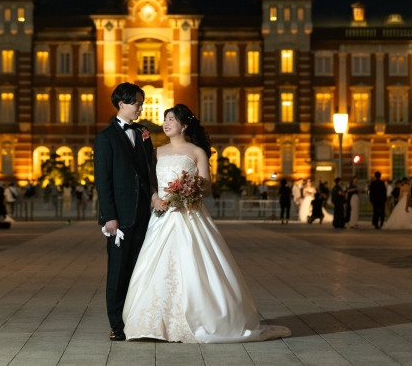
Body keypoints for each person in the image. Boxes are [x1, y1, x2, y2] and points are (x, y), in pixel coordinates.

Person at [123, 104, 289, 342]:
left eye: (171, 119)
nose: (166, 123)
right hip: (163, 216)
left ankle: (200, 318)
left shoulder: (197, 151)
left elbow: (207, 184)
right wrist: (155, 199)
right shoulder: (156, 152)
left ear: (184, 125)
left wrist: (191, 190)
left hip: (190, 214)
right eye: (165, 119)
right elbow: (150, 183)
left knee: (195, 264)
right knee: (155, 266)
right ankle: (155, 324)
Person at [94, 82, 156, 342]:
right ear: (122, 104)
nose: (141, 108)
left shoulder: (143, 133)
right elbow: (103, 180)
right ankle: (116, 324)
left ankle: (137, 319)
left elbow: (148, 171)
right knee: (118, 272)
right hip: (119, 216)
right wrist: (109, 216)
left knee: (140, 269)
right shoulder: (105, 137)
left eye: (141, 103)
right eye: (137, 104)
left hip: (144, 214)